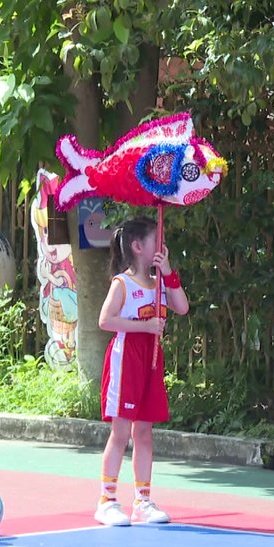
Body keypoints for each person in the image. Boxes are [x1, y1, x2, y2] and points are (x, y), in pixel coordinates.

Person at [94, 216, 188, 526]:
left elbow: (182, 307)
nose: (163, 246)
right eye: (156, 241)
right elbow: (105, 321)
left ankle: (143, 501)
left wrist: (169, 272)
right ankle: (107, 500)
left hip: (152, 360)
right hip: (127, 359)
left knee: (144, 432)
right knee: (120, 431)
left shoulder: (161, 281)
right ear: (137, 247)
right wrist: (143, 326)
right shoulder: (123, 283)